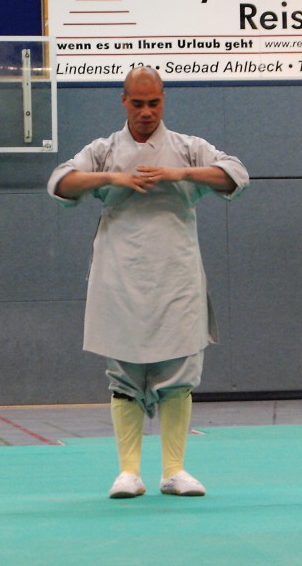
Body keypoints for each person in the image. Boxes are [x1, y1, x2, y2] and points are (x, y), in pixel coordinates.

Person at [47, 67, 249, 498]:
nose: (145, 111)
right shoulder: (104, 150)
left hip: (176, 277)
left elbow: (235, 174)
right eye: (137, 103)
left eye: (153, 103)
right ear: (124, 101)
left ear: (163, 101)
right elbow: (60, 181)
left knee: (180, 373)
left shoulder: (188, 148)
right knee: (123, 374)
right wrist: (113, 178)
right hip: (119, 277)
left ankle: (174, 471)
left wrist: (181, 174)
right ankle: (128, 473)